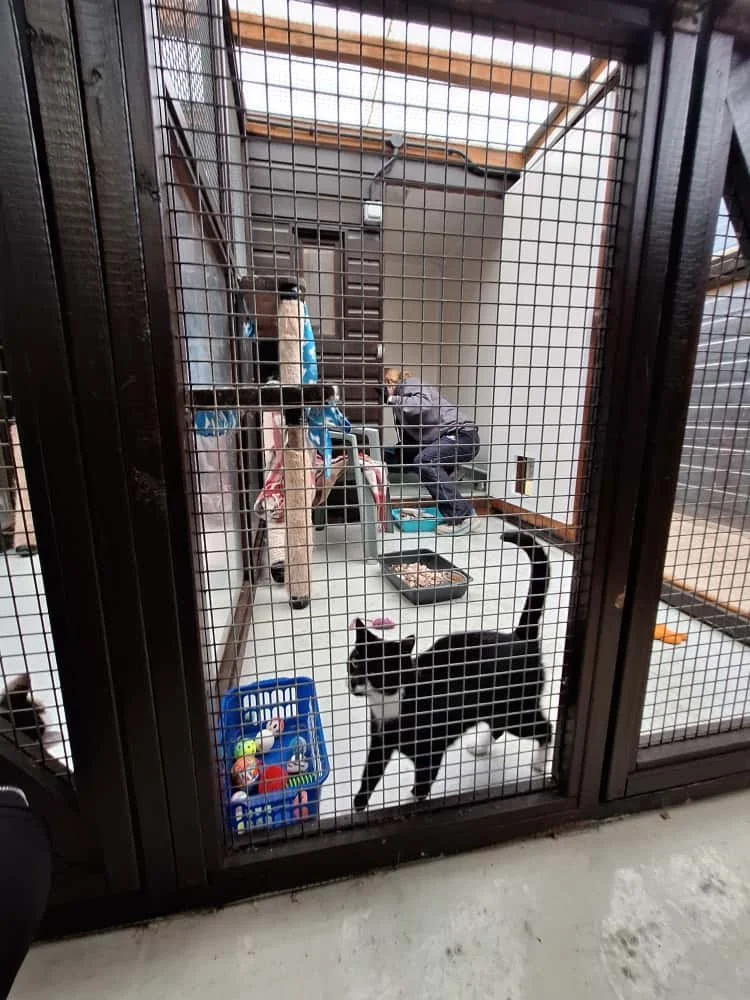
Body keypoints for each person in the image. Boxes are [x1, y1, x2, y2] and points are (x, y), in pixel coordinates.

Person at [381, 368, 480, 535]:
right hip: (443, 440)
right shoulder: (400, 404)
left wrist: (391, 398)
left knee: (425, 461)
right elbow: (409, 444)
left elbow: (423, 404)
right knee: (416, 459)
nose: (385, 386)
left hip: (462, 435)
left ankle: (463, 516)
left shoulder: (409, 384)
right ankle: (451, 470)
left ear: (393, 382)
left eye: (387, 382)